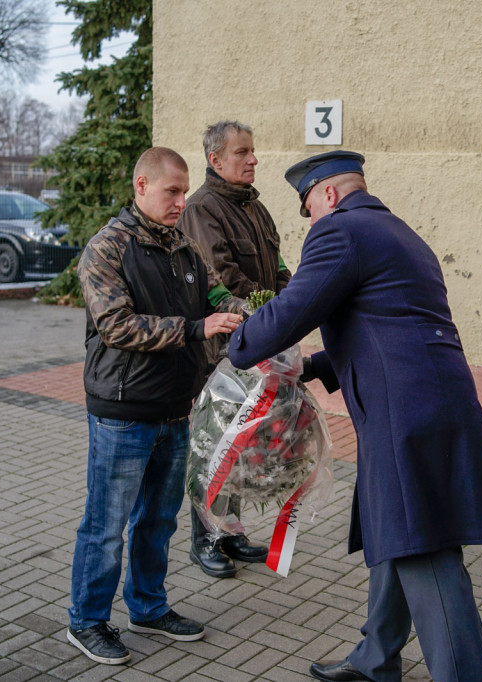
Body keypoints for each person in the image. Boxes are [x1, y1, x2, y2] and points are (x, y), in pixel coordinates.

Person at [228, 151, 482, 682]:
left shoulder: (339, 232)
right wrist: (312, 367)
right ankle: (377, 658)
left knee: (425, 552)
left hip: (406, 417)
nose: (310, 220)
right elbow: (389, 324)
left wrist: (239, 342)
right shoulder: (400, 233)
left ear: (329, 194)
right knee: (397, 530)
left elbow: (293, 310)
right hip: (433, 404)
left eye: (310, 207)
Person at [66, 147, 246, 665]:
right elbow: (117, 326)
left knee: (159, 521)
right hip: (122, 412)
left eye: (185, 191)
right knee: (106, 525)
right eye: (172, 191)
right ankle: (87, 621)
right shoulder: (107, 248)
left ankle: (147, 607)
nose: (181, 201)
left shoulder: (184, 247)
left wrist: (266, 312)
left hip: (174, 409)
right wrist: (196, 329)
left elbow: (218, 298)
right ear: (141, 186)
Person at [176, 120, 291, 578]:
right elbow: (223, 279)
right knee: (214, 445)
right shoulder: (202, 209)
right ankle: (204, 540)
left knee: (242, 445)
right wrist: (273, 315)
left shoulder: (256, 208)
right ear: (215, 159)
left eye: (252, 151)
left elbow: (279, 270)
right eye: (242, 152)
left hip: (259, 346)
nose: (253, 159)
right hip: (221, 355)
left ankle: (230, 531)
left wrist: (292, 307)